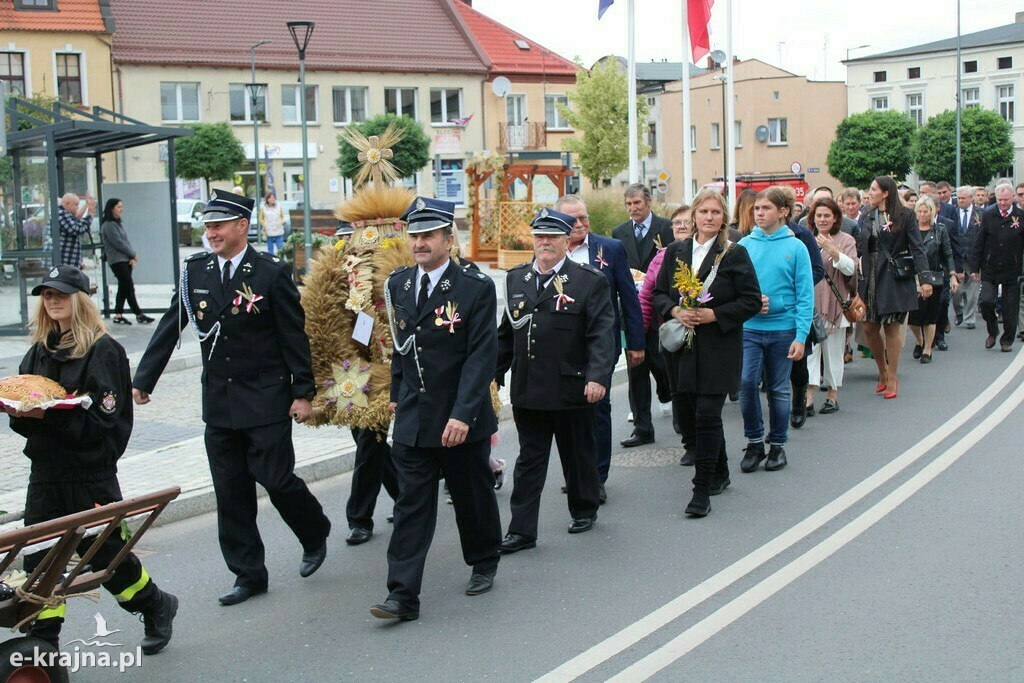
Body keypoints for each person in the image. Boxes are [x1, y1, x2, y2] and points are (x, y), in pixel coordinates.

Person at [133, 189, 331, 606]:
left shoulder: (270, 273)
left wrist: (303, 392)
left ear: (242, 225)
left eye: (219, 225)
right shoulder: (195, 272)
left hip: (265, 397)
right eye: (207, 226)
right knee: (230, 489)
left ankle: (314, 531)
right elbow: (172, 325)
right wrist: (144, 379)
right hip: (220, 401)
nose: (211, 233)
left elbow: (293, 336)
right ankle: (248, 574)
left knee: (276, 479)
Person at [6, 265, 177, 654]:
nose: (52, 301)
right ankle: (42, 642)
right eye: (47, 295)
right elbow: (24, 420)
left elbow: (106, 422)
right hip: (45, 474)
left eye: (61, 294)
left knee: (103, 556)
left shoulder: (104, 351)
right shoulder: (38, 352)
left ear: (80, 300)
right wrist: (25, 416)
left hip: (90, 475)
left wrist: (52, 417)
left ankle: (154, 604)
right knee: (40, 560)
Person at [371, 197, 502, 622]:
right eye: (415, 235)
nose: (420, 243)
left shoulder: (475, 287)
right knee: (411, 505)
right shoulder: (399, 285)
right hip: (415, 414)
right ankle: (402, 595)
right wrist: (395, 392)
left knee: (471, 496)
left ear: (449, 238)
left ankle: (484, 558)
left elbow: (481, 356)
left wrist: (463, 414)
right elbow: (401, 346)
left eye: (429, 235)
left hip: (460, 414)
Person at [497, 208, 615, 553]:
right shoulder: (516, 278)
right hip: (529, 388)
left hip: (571, 387)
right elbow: (508, 333)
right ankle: (521, 531)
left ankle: (584, 507)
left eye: (552, 237)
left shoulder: (588, 280)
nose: (544, 243)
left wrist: (597, 377)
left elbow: (601, 334)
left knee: (577, 454)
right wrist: (492, 372)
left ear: (567, 240)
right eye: (539, 237)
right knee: (529, 461)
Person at [653, 190, 761, 516]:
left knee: (707, 416)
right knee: (688, 414)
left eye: (716, 212)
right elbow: (657, 293)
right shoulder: (675, 251)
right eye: (704, 211)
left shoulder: (733, 254)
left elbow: (751, 300)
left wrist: (715, 315)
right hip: (682, 351)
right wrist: (675, 311)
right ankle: (722, 471)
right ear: (694, 216)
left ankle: (701, 491)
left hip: (718, 347)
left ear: (723, 217)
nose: (710, 217)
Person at [559, 194, 644, 502]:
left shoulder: (610, 249)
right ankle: (575, 473)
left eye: (584, 218)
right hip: (562, 348)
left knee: (598, 408)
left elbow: (628, 298)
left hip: (602, 344)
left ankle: (597, 476)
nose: (580, 224)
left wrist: (636, 342)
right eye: (573, 220)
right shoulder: (548, 251)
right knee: (567, 412)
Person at [737, 187, 813, 474]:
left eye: (766, 208)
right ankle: (755, 441)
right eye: (757, 208)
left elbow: (805, 295)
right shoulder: (744, 245)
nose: (759, 213)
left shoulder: (796, 247)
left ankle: (777, 446)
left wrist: (801, 336)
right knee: (746, 383)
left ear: (783, 212)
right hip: (749, 328)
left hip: (783, 329)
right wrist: (750, 304)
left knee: (779, 389)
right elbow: (733, 287)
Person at [856, 176, 932, 399]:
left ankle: (892, 376)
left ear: (885, 192)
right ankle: (882, 369)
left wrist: (925, 278)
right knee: (869, 327)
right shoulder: (867, 215)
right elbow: (862, 249)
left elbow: (918, 248)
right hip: (870, 276)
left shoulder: (906, 216)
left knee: (891, 328)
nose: (869, 193)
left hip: (894, 276)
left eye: (873, 189)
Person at [612, 183, 674, 448]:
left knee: (661, 363)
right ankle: (642, 427)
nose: (633, 208)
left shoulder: (666, 228)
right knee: (636, 367)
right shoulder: (619, 233)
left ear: (648, 201)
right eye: (628, 204)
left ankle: (668, 393)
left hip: (660, 308)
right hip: (632, 309)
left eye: (637, 203)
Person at [639, 205, 694, 462]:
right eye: (676, 223)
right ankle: (688, 439)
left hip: (703, 334)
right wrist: (640, 331)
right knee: (678, 388)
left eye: (686, 222)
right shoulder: (662, 257)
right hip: (671, 334)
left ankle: (701, 441)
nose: (681, 227)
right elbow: (648, 294)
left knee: (698, 390)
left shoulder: (708, 254)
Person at [803, 198, 857, 415]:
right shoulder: (806, 239)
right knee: (811, 352)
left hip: (836, 302)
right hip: (811, 302)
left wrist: (833, 251)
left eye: (827, 215)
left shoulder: (846, 240)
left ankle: (832, 395)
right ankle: (808, 397)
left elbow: (851, 269)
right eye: (819, 215)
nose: (822, 219)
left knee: (833, 352)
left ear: (835, 218)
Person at [972, 183, 1024, 352]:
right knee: (986, 301)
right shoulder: (988, 215)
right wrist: (975, 268)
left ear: (1013, 199)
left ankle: (1007, 340)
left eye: (1006, 200)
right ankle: (992, 330)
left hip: (1012, 267)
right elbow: (979, 242)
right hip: (990, 266)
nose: (1002, 203)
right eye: (1000, 200)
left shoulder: (1021, 216)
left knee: (1010, 307)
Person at [907, 197, 958, 364]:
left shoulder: (940, 230)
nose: (922, 215)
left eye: (925, 211)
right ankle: (919, 340)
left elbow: (948, 253)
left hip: (934, 276)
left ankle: (927, 348)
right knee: (913, 316)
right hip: (913, 277)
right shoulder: (910, 230)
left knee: (930, 315)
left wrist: (952, 275)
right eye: (919, 211)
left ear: (932, 212)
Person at [100, 198, 154, 326]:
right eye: (119, 207)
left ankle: (122, 315)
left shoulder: (117, 223)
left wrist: (131, 257)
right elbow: (118, 243)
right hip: (117, 260)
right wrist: (133, 254)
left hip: (124, 259)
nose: (121, 209)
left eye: (122, 207)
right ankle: (137, 314)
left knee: (125, 287)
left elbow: (125, 241)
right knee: (127, 287)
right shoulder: (108, 225)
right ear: (112, 208)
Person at [953, 186, 982, 329]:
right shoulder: (953, 213)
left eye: (963, 198)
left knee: (973, 289)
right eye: (959, 198)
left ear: (971, 198)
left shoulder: (980, 214)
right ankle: (959, 311)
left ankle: (969, 317)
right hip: (957, 256)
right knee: (956, 290)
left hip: (974, 256)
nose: (961, 201)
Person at [57, 192, 96, 267]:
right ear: (67, 204)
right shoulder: (61, 214)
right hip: (65, 260)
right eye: (76, 205)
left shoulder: (65, 214)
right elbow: (77, 229)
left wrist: (87, 205)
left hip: (69, 260)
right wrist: (90, 215)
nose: (77, 207)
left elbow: (76, 218)